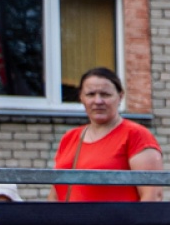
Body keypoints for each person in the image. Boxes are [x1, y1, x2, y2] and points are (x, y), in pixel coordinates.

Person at [52, 67, 161, 202]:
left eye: (105, 94)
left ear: (120, 96)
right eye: (90, 94)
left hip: (117, 216)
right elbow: (55, 193)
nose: (98, 101)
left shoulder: (136, 135)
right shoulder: (69, 138)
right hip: (67, 216)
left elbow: (152, 196)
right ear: (81, 97)